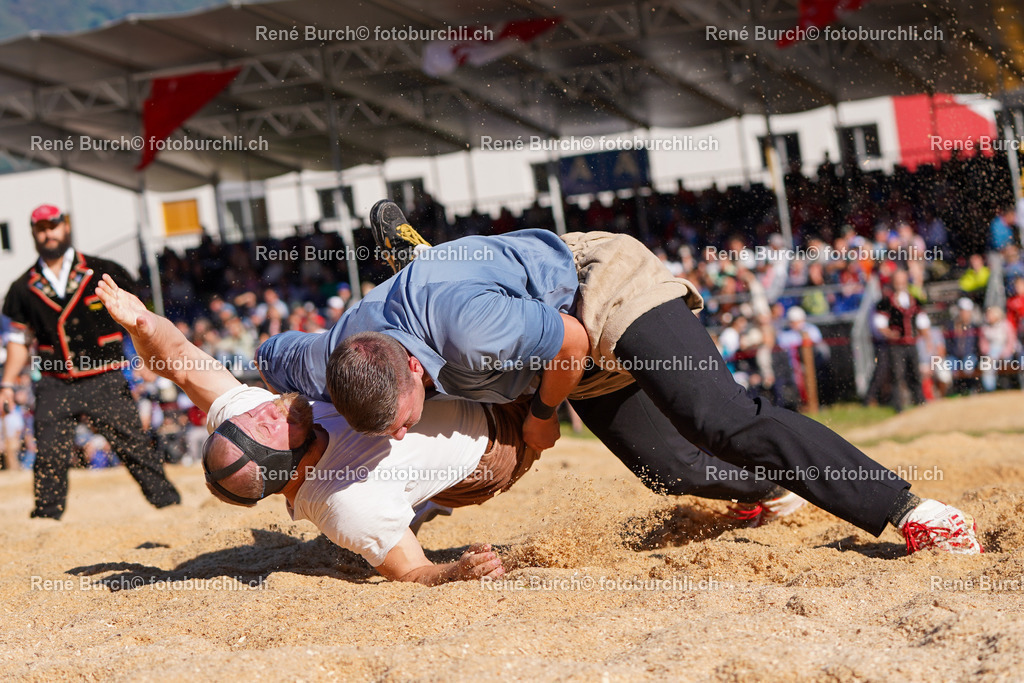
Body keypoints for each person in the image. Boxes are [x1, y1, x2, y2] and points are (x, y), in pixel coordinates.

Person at [257, 201, 983, 554]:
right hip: (507, 324)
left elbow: (571, 340)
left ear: (410, 367)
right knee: (665, 469)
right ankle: (772, 486)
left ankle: (907, 505)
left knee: (719, 417)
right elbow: (265, 355)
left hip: (593, 289)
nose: (403, 431)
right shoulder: (329, 355)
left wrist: (544, 417)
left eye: (404, 416)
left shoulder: (469, 330)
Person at [94, 273, 779, 585]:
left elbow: (184, 363)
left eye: (261, 406)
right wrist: (457, 569)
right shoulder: (346, 509)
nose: (272, 403)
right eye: (274, 416)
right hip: (499, 440)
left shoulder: (246, 425)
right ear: (282, 457)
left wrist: (137, 319)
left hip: (418, 400)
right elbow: (411, 571)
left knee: (365, 359)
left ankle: (428, 281)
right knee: (447, 368)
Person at [0, 205, 180, 519]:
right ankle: (46, 519)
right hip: (54, 382)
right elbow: (18, 341)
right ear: (33, 234)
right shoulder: (21, 287)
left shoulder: (104, 271)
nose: (48, 233)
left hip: (105, 378)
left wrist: (149, 358)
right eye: (41, 228)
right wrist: (7, 382)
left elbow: (139, 318)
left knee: (134, 446)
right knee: (49, 454)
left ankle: (170, 506)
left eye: (53, 226)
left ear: (65, 227)